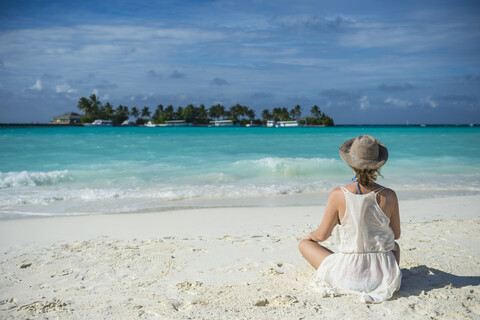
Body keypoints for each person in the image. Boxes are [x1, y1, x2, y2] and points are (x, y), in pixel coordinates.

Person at [298, 135, 401, 303]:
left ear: (351, 164)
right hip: (382, 276)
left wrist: (310, 236)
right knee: (395, 246)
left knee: (304, 244)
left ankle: (349, 271)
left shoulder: (339, 194)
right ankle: (379, 275)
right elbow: (395, 234)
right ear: (377, 165)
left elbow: (322, 236)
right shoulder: (389, 195)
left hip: (348, 276)